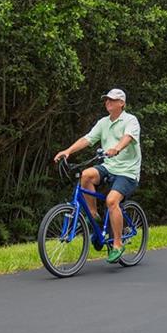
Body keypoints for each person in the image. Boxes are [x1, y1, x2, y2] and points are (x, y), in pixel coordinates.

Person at [54, 88, 141, 263]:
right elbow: (87, 139)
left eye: (112, 100)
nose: (108, 102)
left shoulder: (130, 120)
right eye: (106, 99)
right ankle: (93, 215)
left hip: (127, 172)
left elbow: (128, 137)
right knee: (86, 175)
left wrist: (116, 148)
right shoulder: (103, 122)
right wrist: (68, 151)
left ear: (121, 103)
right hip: (108, 166)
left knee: (111, 201)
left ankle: (117, 244)